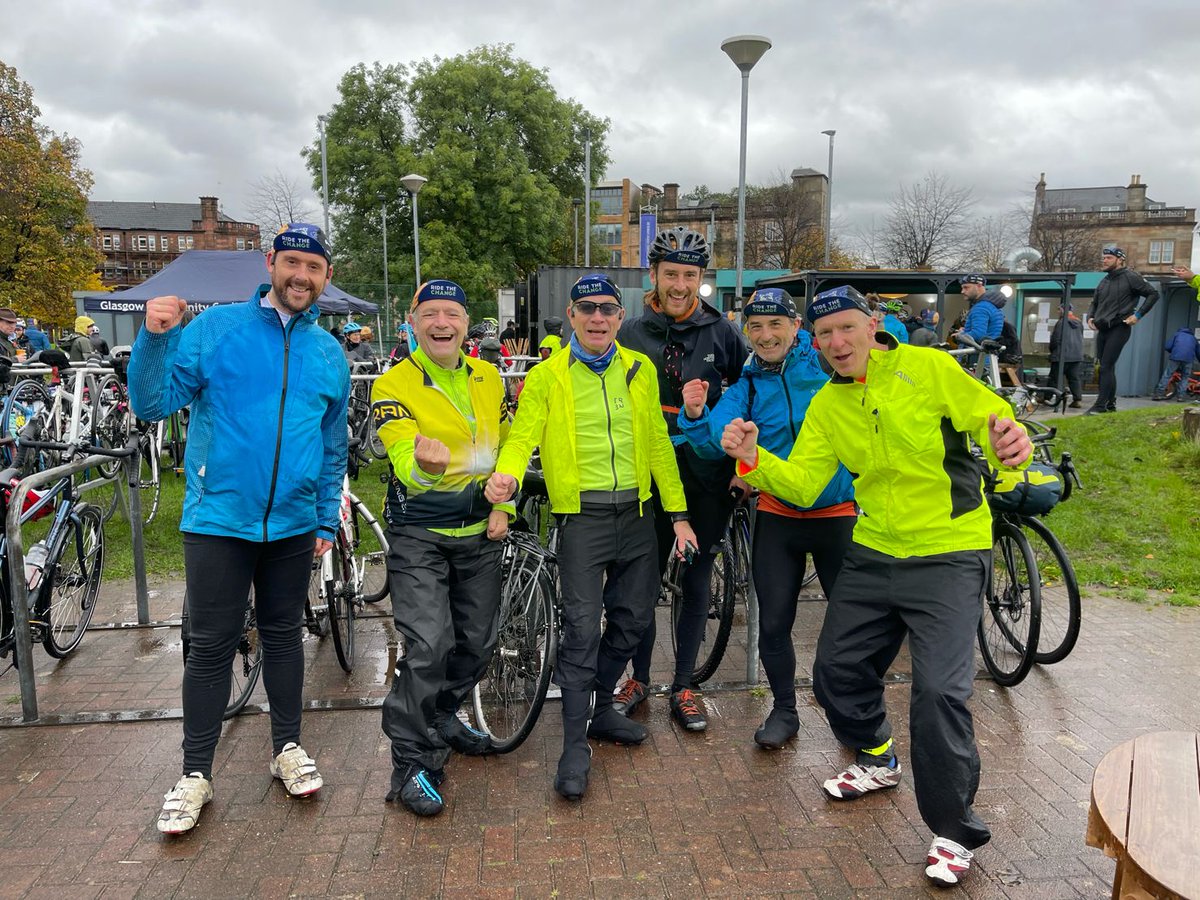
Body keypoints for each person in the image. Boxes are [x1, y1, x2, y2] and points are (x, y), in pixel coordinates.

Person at [718, 284, 1032, 888]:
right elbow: (807, 485)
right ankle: (877, 754)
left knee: (938, 692)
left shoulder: (927, 367)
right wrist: (755, 461)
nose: (837, 343)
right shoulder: (829, 407)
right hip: (874, 548)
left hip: (947, 551)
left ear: (873, 324)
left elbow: (993, 419)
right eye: (826, 334)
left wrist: (1009, 443)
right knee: (836, 673)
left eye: (847, 329)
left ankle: (954, 830)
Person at [129, 223, 349, 835]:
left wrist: (325, 514)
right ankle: (195, 773)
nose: (301, 276)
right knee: (211, 646)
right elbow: (152, 404)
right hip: (219, 519)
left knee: (283, 637)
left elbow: (334, 446)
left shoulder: (327, 352)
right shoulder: (216, 329)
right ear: (271, 263)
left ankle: (287, 748)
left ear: (325, 277)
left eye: (314, 267)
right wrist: (152, 340)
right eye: (292, 263)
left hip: (293, 523)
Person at [484, 273, 696, 800]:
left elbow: (657, 448)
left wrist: (679, 514)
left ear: (619, 318)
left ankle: (602, 706)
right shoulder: (547, 376)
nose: (598, 317)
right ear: (573, 316)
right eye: (587, 309)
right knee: (581, 631)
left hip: (639, 518)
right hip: (582, 521)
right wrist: (505, 489)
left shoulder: (639, 370)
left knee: (633, 621)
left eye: (607, 309)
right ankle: (573, 745)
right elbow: (520, 440)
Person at [677, 288, 855, 749]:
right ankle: (784, 709)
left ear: (796, 328)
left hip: (839, 513)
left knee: (851, 622)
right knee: (774, 623)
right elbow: (719, 437)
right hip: (778, 516)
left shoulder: (826, 368)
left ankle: (853, 708)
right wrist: (698, 415)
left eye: (776, 324)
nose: (765, 334)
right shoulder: (749, 385)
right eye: (755, 326)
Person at [370, 279, 512, 818]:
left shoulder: (489, 377)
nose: (441, 323)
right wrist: (423, 468)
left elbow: (507, 449)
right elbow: (404, 455)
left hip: (479, 531)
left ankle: (444, 714)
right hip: (421, 532)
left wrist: (505, 505)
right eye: (429, 314)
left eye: (451, 312)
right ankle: (410, 762)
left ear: (465, 321)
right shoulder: (393, 384)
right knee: (429, 646)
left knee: (477, 643)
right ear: (412, 321)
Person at [615, 226, 749, 733]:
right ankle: (639, 678)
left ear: (700, 279)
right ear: (653, 275)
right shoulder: (630, 332)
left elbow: (748, 399)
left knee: (696, 582)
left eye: (689, 276)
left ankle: (686, 685)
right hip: (647, 475)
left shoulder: (723, 334)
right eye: (670, 274)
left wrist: (743, 471)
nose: (679, 285)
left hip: (705, 475)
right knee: (642, 582)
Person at [1084, 246, 1159, 415]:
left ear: (1120, 260)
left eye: (1109, 258)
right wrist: (1090, 316)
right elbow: (1094, 302)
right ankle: (1110, 404)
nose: (1104, 260)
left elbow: (1153, 294)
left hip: (1120, 327)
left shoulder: (1131, 277)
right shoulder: (1104, 281)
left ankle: (1100, 406)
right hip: (1103, 329)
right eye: (1104, 258)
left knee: (1106, 366)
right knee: (1106, 367)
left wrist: (1138, 315)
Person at [1048, 303, 1085, 408]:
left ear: (1063, 310)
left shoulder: (1061, 323)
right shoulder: (1079, 323)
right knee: (1074, 378)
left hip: (1061, 355)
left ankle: (1046, 398)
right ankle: (1077, 400)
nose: (1058, 312)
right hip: (1076, 356)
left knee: (1054, 378)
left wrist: (1052, 351)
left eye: (1059, 310)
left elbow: (1055, 339)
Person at [1151, 326, 1199, 402]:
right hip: (1188, 359)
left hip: (1175, 357)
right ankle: (1181, 397)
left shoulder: (1177, 334)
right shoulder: (1193, 338)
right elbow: (1198, 352)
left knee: (1167, 375)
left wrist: (1173, 351)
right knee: (1185, 377)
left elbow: (1167, 346)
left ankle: (1158, 394)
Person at [954, 275, 1004, 344]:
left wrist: (959, 336)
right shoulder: (992, 305)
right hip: (988, 351)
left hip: (977, 353)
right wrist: (965, 331)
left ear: (979, 286)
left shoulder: (980, 308)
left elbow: (978, 335)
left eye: (966, 287)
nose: (962, 291)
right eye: (962, 288)